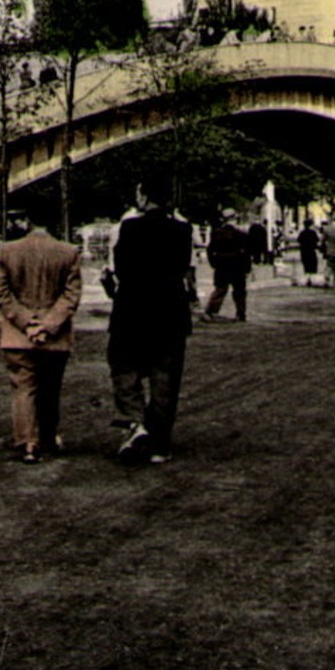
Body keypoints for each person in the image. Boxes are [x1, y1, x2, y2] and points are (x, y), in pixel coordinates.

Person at [104, 179, 195, 465]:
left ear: (143, 197)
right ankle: (159, 444)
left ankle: (134, 422)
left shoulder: (128, 228)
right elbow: (183, 268)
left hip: (132, 310)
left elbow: (119, 268)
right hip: (170, 312)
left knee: (123, 366)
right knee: (165, 377)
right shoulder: (183, 230)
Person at [0, 222, 83, 464]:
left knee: (24, 388)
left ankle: (28, 443)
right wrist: (48, 324)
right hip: (55, 335)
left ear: (27, 223)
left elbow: (1, 294)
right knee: (51, 389)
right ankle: (49, 437)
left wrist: (27, 323)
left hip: (17, 335)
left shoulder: (6, 251)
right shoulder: (68, 252)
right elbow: (71, 296)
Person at [203, 209, 251, 321]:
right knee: (239, 291)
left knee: (220, 289)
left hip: (222, 265)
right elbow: (246, 252)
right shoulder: (241, 235)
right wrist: (247, 267)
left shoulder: (216, 233)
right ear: (234, 219)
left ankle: (210, 311)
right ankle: (241, 313)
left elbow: (210, 250)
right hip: (237, 265)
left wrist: (214, 263)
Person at [297, 220, 321, 287]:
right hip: (311, 251)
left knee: (306, 265)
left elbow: (299, 240)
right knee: (313, 266)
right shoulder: (313, 233)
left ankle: (307, 280)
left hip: (304, 251)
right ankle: (313, 280)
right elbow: (317, 241)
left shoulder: (302, 233)